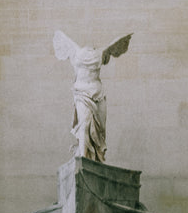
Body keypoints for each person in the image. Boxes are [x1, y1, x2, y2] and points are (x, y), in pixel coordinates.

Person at [52, 30, 132, 162]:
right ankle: (83, 158)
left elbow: (114, 46)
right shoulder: (77, 52)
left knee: (99, 130)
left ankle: (96, 157)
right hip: (82, 92)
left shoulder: (100, 53)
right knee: (84, 124)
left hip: (97, 93)